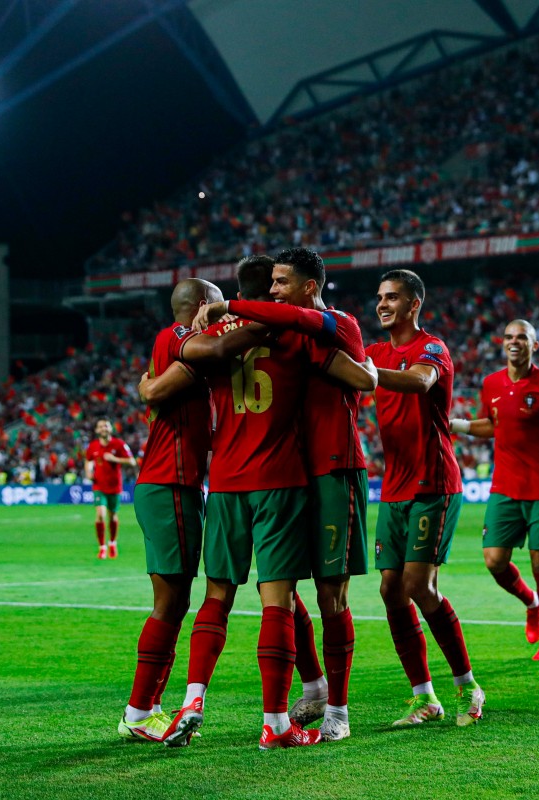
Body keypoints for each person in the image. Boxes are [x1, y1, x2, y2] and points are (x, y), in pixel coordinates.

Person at [162, 255, 375, 750]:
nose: (278, 291)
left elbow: (177, 372)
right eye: (274, 284)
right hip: (285, 476)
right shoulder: (287, 336)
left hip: (288, 474)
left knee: (298, 594)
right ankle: (282, 716)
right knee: (285, 596)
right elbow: (360, 377)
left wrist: (152, 382)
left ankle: (204, 700)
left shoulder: (224, 340)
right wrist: (368, 373)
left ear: (305, 286)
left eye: (285, 283)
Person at [366, 268, 485, 727]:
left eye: (392, 297)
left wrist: (371, 374)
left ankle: (467, 686)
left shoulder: (431, 348)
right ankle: (424, 697)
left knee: (419, 586)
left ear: (414, 304)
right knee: (390, 590)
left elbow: (418, 382)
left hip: (433, 482)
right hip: (393, 486)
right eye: (379, 297)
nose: (382, 304)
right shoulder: (373, 351)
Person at [116, 278, 225, 744]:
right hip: (169, 484)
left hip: (172, 484)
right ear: (201, 306)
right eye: (219, 301)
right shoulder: (180, 338)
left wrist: (151, 388)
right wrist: (151, 388)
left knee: (175, 602)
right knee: (170, 604)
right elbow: (159, 389)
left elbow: (155, 390)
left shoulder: (181, 344)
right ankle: (139, 711)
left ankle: (148, 707)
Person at [451, 320, 539, 661]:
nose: (514, 342)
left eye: (522, 337)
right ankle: (531, 602)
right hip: (504, 487)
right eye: (508, 336)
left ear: (534, 345)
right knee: (494, 561)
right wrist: (456, 425)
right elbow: (492, 425)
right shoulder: (491, 384)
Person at [84, 419, 137, 560]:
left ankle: (112, 543)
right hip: (98, 486)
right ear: (96, 430)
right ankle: (102, 547)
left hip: (114, 486)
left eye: (106, 425)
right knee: (100, 514)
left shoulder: (119, 444)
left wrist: (115, 459)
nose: (103, 428)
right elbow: (88, 460)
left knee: (112, 515)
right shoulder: (93, 446)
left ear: (110, 428)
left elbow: (132, 461)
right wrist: (89, 472)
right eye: (100, 426)